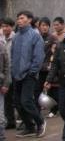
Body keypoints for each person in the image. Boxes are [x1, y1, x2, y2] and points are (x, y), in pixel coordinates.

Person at [10, 10, 46, 138]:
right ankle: (29, 127)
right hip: (16, 74)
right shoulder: (16, 37)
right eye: (18, 18)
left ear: (29, 20)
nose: (19, 20)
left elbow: (39, 57)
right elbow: (12, 56)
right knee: (17, 102)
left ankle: (40, 123)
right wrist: (12, 71)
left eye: (21, 18)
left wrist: (32, 72)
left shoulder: (35, 36)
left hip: (29, 75)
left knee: (26, 101)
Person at [37, 17, 59, 118]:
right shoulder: (37, 37)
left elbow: (56, 52)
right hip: (39, 68)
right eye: (42, 25)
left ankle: (54, 110)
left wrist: (52, 63)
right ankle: (37, 110)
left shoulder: (52, 38)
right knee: (37, 89)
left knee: (51, 90)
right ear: (39, 26)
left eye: (46, 25)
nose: (44, 27)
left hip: (49, 68)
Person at [0, 17, 16, 129]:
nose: (5, 28)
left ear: (12, 27)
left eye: (7, 26)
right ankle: (10, 121)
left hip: (14, 72)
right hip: (4, 73)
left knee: (16, 99)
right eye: (3, 26)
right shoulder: (1, 38)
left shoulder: (16, 38)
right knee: (6, 99)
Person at [0, 37, 10, 141]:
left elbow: (7, 67)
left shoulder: (2, 47)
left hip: (0, 85)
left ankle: (1, 136)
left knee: (0, 117)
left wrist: (5, 84)